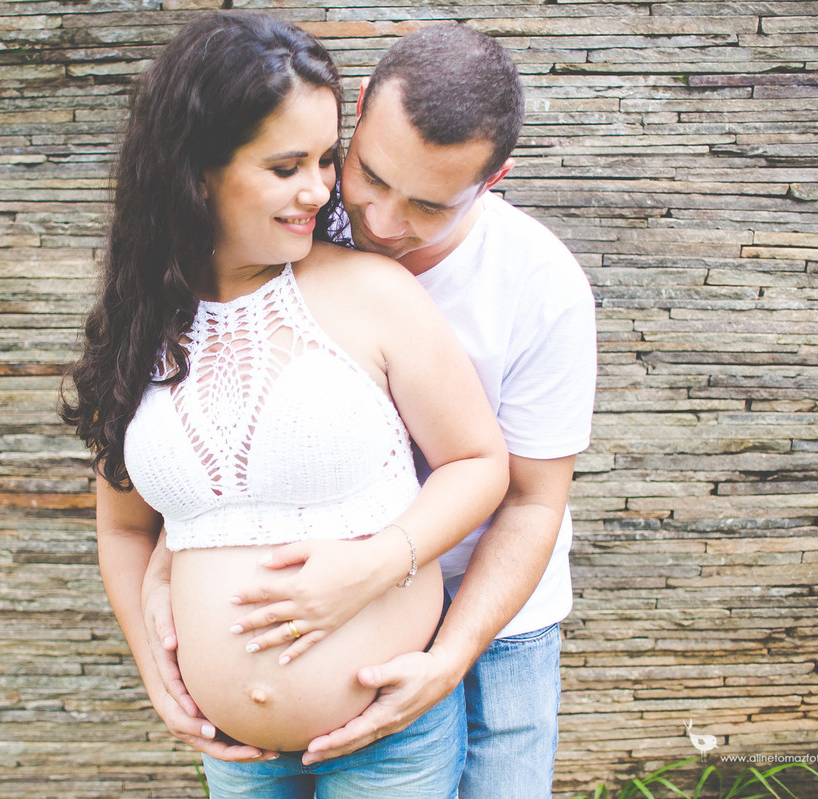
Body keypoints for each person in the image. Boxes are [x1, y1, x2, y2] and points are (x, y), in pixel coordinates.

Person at [141, 23, 597, 798]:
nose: (382, 221)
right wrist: (175, 552)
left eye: (428, 204)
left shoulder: (541, 287)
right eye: (370, 176)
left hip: (493, 607)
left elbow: (528, 498)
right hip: (317, 620)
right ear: (357, 115)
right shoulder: (296, 224)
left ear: (493, 179)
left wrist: (445, 654)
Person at [59, 13, 509, 798]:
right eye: (286, 165)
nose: (321, 189)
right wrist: (152, 667)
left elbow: (478, 463)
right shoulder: (140, 324)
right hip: (235, 755)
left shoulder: (373, 293)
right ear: (197, 169)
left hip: (386, 738)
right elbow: (124, 529)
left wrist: (384, 559)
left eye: (328, 158)